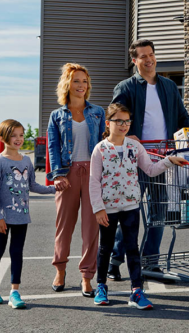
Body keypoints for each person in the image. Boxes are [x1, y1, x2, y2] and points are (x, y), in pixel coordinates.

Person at [107, 39, 189, 281]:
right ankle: (114, 260)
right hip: (135, 161)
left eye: (151, 54)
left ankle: (151, 262)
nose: (149, 59)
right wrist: (127, 133)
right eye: (143, 56)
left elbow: (182, 116)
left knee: (159, 212)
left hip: (163, 160)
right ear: (134, 61)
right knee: (130, 213)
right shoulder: (126, 87)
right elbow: (114, 116)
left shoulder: (168, 86)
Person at [89, 103, 188, 308]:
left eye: (127, 121)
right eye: (119, 121)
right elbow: (94, 181)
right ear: (108, 123)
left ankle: (136, 291)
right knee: (105, 248)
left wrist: (169, 161)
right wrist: (98, 208)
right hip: (108, 208)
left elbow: (150, 169)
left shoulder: (135, 146)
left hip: (131, 206)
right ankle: (101, 286)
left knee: (132, 247)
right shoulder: (100, 149)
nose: (124, 125)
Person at [0, 119, 66, 308]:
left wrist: (54, 188)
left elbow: (32, 185)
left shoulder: (26, 161)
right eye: (13, 135)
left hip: (21, 216)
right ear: (3, 137)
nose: (18, 139)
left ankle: (15, 291)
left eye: (21, 135)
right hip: (3, 217)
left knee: (17, 253)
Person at [47, 63, 105, 297]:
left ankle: (86, 276)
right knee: (64, 227)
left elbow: (105, 144)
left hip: (93, 174)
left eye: (84, 81)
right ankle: (60, 270)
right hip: (67, 174)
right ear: (67, 84)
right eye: (77, 81)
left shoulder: (98, 112)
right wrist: (57, 175)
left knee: (92, 229)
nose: (82, 85)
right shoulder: (57, 115)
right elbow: (53, 146)